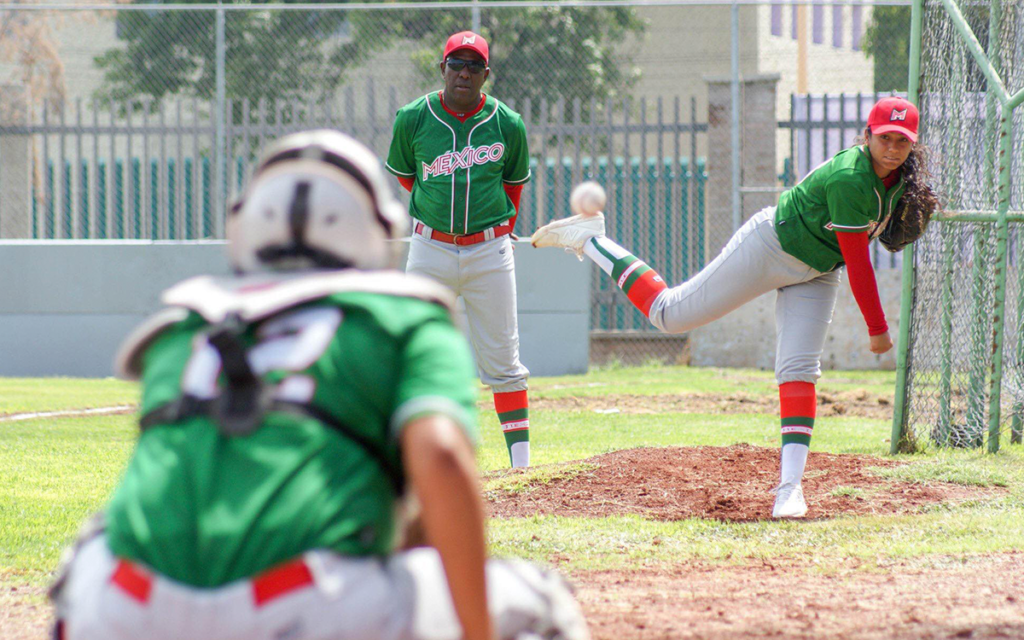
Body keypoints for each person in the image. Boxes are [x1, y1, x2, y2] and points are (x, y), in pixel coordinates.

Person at [49, 130, 589, 640]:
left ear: (245, 224)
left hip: (125, 604)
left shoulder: (185, 323)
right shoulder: (403, 317)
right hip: (304, 603)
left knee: (93, 543)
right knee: (538, 600)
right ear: (374, 230)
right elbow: (441, 458)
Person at [532, 96, 936, 518]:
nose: (893, 148)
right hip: (770, 247)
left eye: (902, 141)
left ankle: (789, 490)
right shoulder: (850, 178)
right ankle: (591, 239)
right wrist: (877, 328)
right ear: (867, 136)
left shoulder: (899, 181)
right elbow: (859, 262)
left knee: (799, 369)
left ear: (913, 144)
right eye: (885, 138)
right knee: (669, 315)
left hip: (818, 270)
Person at [386, 31, 534, 468]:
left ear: (486, 74)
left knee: (504, 361)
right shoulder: (413, 118)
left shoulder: (508, 123)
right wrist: (437, 215)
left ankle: (521, 468)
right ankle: (409, 464)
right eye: (456, 64)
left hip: (489, 251)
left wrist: (500, 231)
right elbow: (409, 177)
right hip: (429, 249)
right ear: (442, 69)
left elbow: (512, 186)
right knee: (414, 352)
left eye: (473, 66)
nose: (463, 73)